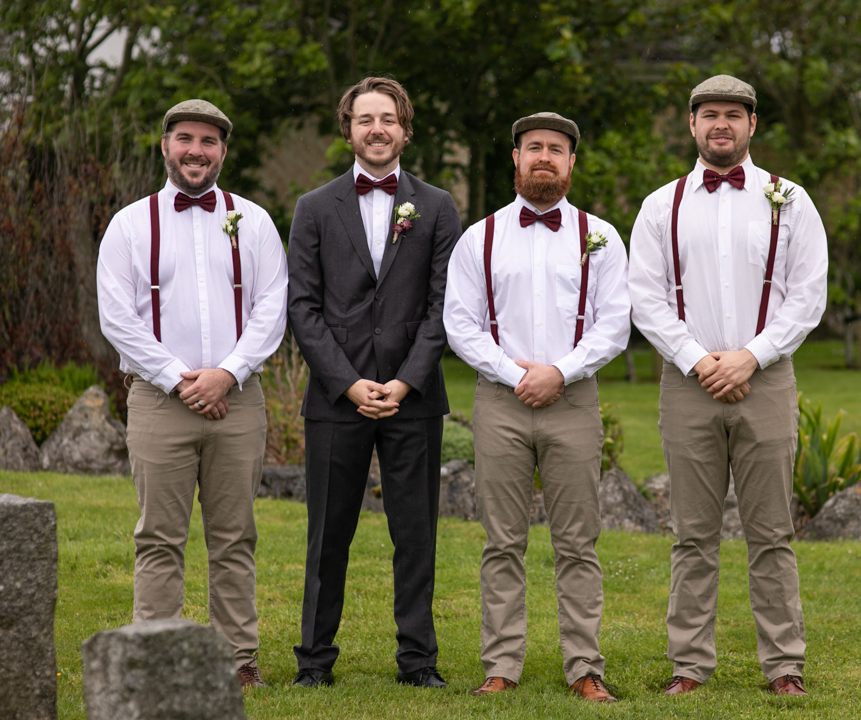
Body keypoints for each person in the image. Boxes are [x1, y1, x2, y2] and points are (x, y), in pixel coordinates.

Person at [628, 75, 828, 697]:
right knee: (692, 534)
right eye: (710, 113)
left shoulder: (789, 200)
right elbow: (646, 299)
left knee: (772, 532)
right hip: (687, 385)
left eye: (733, 115)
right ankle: (689, 666)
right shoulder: (660, 206)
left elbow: (807, 294)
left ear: (751, 124)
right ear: (692, 124)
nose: (721, 124)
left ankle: (785, 665)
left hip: (766, 381)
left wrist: (750, 357)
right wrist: (700, 361)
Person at [96, 99, 288, 689]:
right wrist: (180, 378)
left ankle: (237, 660)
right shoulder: (129, 225)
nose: (196, 151)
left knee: (234, 536)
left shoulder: (253, 221)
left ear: (223, 151)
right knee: (159, 536)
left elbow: (271, 308)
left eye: (208, 141)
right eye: (185, 138)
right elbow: (117, 317)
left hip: (239, 400)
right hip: (158, 403)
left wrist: (226, 373)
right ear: (166, 146)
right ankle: (156, 659)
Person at [444, 112, 630, 702]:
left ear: (571, 162)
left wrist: (560, 372)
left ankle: (585, 668)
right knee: (502, 540)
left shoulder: (601, 236)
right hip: (500, 401)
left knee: (578, 541)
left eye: (555, 149)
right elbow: (461, 324)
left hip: (573, 400)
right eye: (533, 147)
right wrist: (515, 374)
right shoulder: (480, 237)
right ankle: (501, 665)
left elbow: (614, 325)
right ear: (516, 159)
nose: (543, 157)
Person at [287, 77, 462, 689]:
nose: (377, 129)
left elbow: (444, 306)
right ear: (349, 131)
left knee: (415, 536)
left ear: (405, 131)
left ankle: (418, 661)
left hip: (415, 399)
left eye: (388, 119)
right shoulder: (314, 207)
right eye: (365, 119)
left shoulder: (437, 206)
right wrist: (348, 382)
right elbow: (302, 307)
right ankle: (314, 661)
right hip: (337, 398)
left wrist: (407, 381)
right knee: (327, 536)